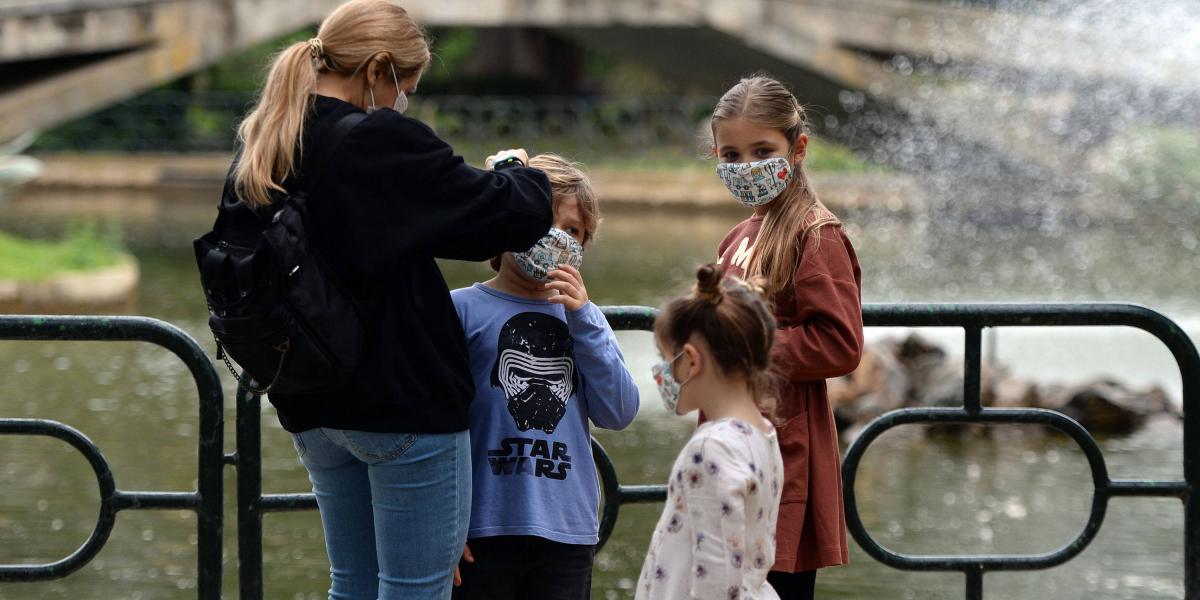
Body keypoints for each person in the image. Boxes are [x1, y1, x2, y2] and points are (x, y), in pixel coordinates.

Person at [216, 1, 554, 598]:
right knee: (416, 589)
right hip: (401, 403)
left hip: (310, 397)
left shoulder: (267, 138)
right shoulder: (377, 139)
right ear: (378, 70)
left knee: (351, 585)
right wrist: (521, 171)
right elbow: (508, 215)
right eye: (408, 86)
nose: (405, 100)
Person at [450, 153, 640, 600]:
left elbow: (619, 410)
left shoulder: (583, 320)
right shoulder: (461, 310)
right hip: (482, 531)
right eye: (543, 221)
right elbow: (437, 424)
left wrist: (585, 318)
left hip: (566, 532)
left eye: (573, 231)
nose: (557, 238)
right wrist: (446, 524)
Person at [709, 75, 864, 600]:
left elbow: (839, 343)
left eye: (762, 150)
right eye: (732, 153)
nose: (747, 165)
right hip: (728, 450)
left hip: (784, 457)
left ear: (797, 148)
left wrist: (743, 347)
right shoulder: (737, 237)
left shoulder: (816, 235)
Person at [636, 264, 785, 600]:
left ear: (690, 360)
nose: (663, 372)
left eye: (666, 358)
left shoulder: (711, 448)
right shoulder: (762, 433)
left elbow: (716, 579)